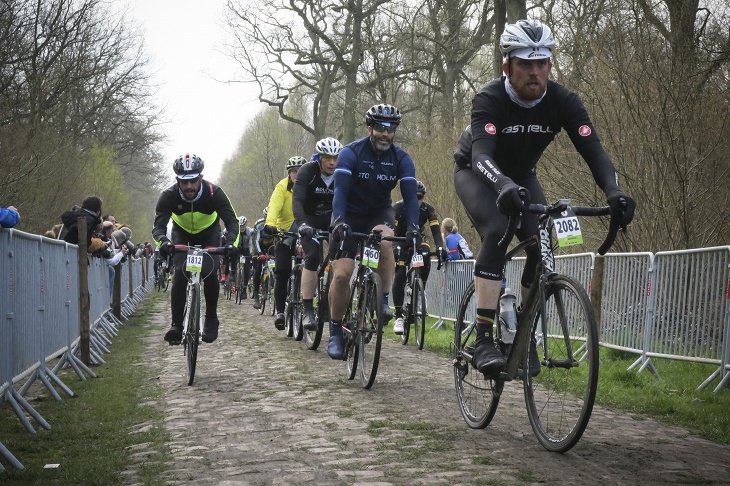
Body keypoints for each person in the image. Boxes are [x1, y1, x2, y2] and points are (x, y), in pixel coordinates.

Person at [453, 19, 636, 375]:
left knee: (542, 245)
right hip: (477, 172)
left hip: (522, 177)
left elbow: (594, 152)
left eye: (542, 64)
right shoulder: (489, 99)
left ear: (550, 66)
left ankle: (524, 331)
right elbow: (481, 156)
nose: (535, 73)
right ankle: (483, 337)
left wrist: (613, 190)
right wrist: (502, 183)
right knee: (497, 229)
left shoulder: (563, 101)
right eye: (525, 64)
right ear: (507, 66)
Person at [326, 103, 420, 359]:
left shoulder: (401, 158)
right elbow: (340, 192)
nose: (385, 134)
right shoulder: (351, 153)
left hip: (379, 212)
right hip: (349, 215)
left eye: (390, 129)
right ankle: (335, 330)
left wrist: (413, 226)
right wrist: (339, 222)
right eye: (380, 128)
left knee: (386, 241)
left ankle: (383, 300)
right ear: (370, 128)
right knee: (343, 276)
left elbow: (411, 198)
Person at [152, 153, 239, 344]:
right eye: (184, 182)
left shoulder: (214, 193)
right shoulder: (168, 196)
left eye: (193, 180)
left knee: (209, 271)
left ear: (200, 177)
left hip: (209, 233)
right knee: (181, 274)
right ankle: (176, 325)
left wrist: (232, 243)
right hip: (182, 234)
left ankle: (211, 318)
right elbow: (158, 227)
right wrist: (163, 243)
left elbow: (232, 222)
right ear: (177, 180)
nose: (189, 186)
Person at [292, 137, 342, 330]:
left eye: (336, 158)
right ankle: (307, 309)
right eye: (327, 158)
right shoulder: (308, 171)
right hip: (309, 220)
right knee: (312, 256)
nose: (332, 162)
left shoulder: (342, 173)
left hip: (331, 220)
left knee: (340, 256)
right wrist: (302, 224)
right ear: (320, 157)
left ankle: (331, 302)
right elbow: (297, 201)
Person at [391, 181, 449, 334]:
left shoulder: (428, 209)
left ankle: (419, 289)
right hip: (400, 240)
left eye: (420, 196)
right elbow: (392, 231)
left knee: (426, 254)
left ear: (423, 197)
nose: (416, 200)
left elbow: (436, 231)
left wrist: (441, 247)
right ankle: (398, 316)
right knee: (401, 271)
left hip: (418, 239)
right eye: (413, 196)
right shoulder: (398, 207)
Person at [261, 156, 306, 329]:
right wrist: (270, 225)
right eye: (294, 171)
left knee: (311, 264)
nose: (297, 175)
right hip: (284, 232)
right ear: (289, 174)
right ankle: (280, 311)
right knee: (282, 272)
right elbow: (274, 207)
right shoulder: (281, 187)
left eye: (300, 171)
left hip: (305, 231)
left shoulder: (310, 186)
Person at [234, 215, 254, 299]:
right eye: (240, 226)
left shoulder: (250, 231)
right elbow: (234, 242)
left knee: (246, 269)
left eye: (243, 226)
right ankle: (232, 273)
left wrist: (251, 254)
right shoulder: (236, 231)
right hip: (238, 248)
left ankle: (244, 289)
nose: (241, 228)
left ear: (246, 225)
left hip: (246, 249)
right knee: (232, 258)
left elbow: (251, 243)